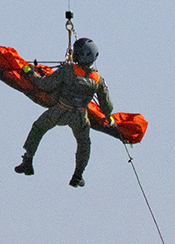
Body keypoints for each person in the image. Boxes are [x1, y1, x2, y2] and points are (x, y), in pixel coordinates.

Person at [14, 37, 113, 187]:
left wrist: (31, 73)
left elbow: (45, 85)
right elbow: (107, 106)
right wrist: (109, 118)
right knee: (84, 144)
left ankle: (27, 161)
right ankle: (78, 176)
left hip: (60, 111)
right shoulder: (98, 80)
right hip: (80, 118)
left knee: (38, 128)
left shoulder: (67, 70)